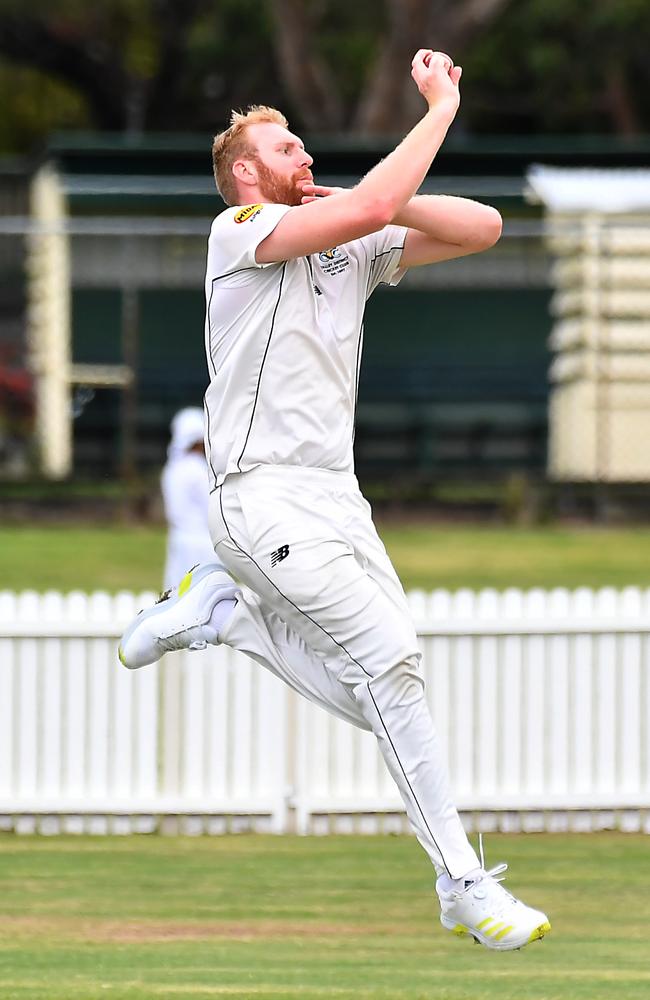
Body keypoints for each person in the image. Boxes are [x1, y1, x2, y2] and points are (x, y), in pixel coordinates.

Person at [119, 49, 550, 951]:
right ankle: (463, 882)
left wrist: (378, 201)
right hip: (256, 491)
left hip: (336, 498)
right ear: (246, 172)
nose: (304, 160)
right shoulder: (235, 228)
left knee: (392, 689)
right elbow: (366, 206)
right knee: (389, 663)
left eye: (306, 148)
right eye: (288, 151)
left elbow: (484, 227)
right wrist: (440, 110)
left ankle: (230, 619)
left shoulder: (351, 234)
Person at [161, 407, 216, 590]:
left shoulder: (172, 468)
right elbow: (212, 506)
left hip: (179, 540)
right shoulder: (197, 470)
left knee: (178, 595)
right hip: (201, 543)